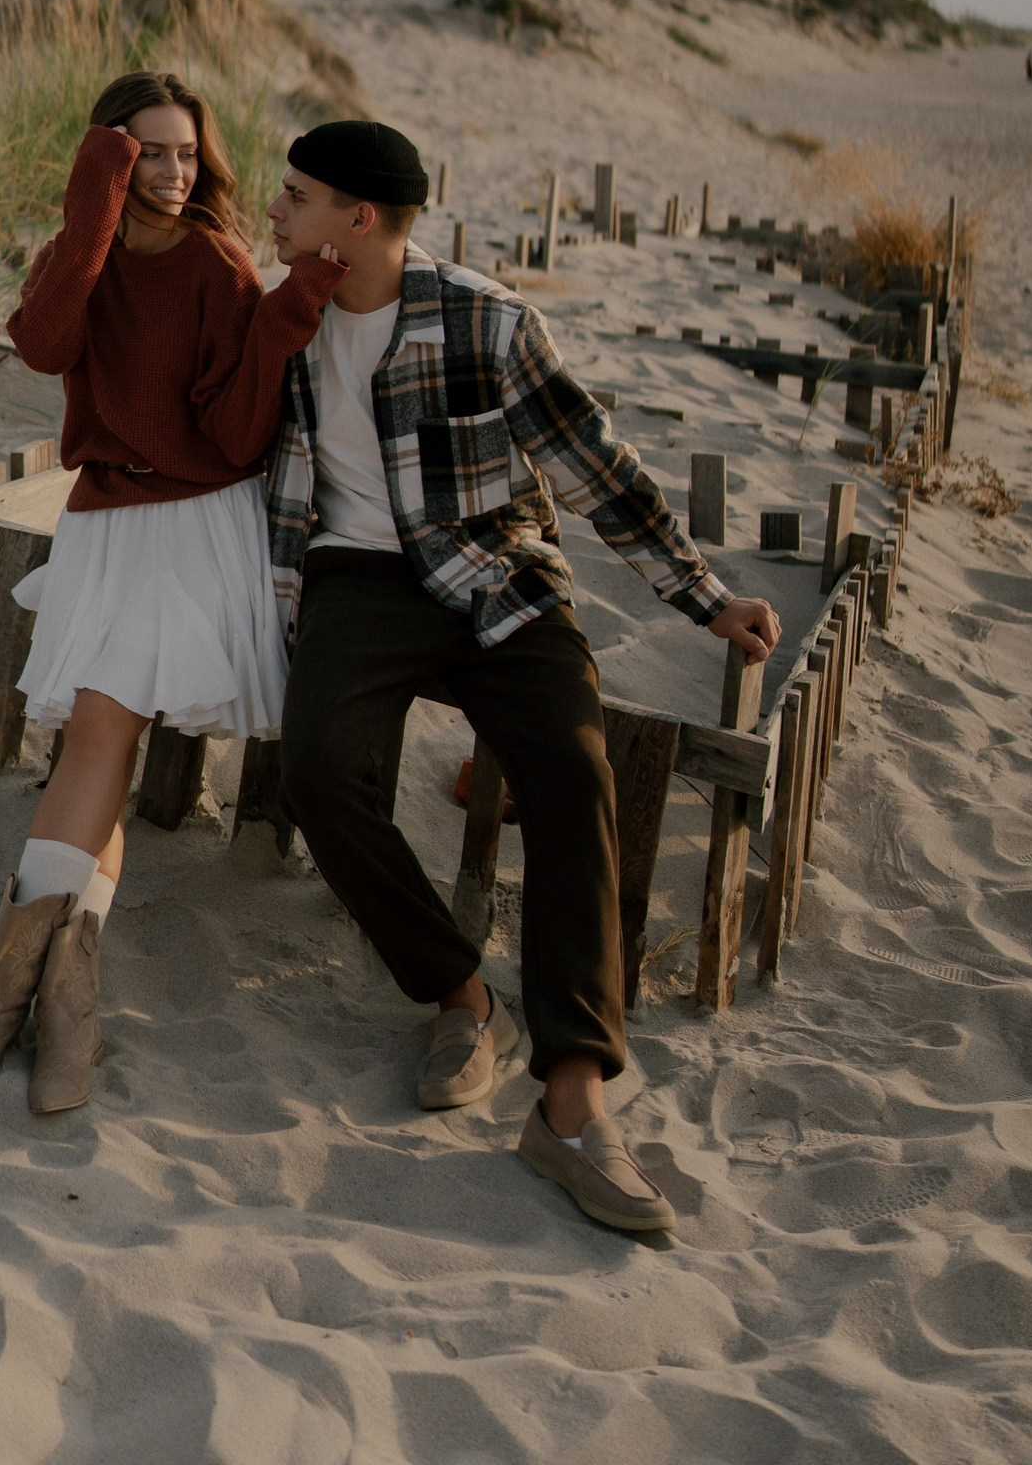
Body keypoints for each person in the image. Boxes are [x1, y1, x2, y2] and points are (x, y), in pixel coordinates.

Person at [264, 120, 781, 1235]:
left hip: (494, 566)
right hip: (355, 576)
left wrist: (704, 598)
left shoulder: (487, 320)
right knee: (314, 771)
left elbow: (596, 467)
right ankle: (461, 993)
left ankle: (574, 1099)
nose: (276, 210)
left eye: (296, 196)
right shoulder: (285, 320)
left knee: (572, 768)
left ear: (360, 218)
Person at [0, 72, 343, 1113]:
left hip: (194, 524)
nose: (173, 171)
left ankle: (4, 988)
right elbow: (45, 344)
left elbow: (234, 434)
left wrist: (285, 314)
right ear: (106, 155)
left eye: (187, 152)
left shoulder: (213, 259)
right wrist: (94, 200)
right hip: (106, 520)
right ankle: (65, 995)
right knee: (99, 751)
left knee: (99, 738)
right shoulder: (80, 255)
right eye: (148, 151)